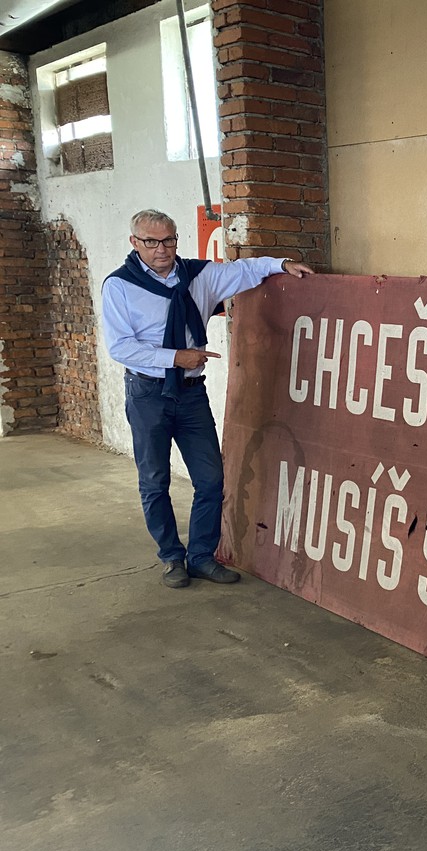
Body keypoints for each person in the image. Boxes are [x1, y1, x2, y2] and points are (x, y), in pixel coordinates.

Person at [101, 208, 314, 588]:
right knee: (154, 481)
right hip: (148, 393)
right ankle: (171, 557)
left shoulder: (198, 276)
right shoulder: (120, 286)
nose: (161, 249)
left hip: (190, 395)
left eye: (168, 240)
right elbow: (121, 347)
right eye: (151, 242)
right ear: (134, 243)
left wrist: (282, 264)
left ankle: (201, 557)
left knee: (211, 479)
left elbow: (243, 271)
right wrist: (176, 357)